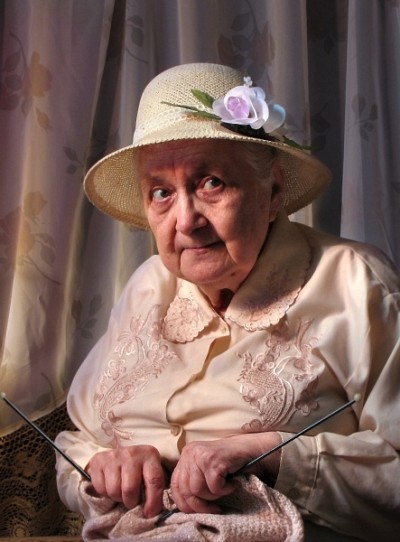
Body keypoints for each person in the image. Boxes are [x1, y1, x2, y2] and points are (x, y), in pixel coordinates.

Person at [55, 63, 400, 541]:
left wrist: (273, 455)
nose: (186, 220)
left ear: (272, 190)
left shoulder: (354, 280)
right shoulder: (148, 284)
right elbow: (75, 442)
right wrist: (102, 466)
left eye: (211, 182)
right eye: (161, 192)